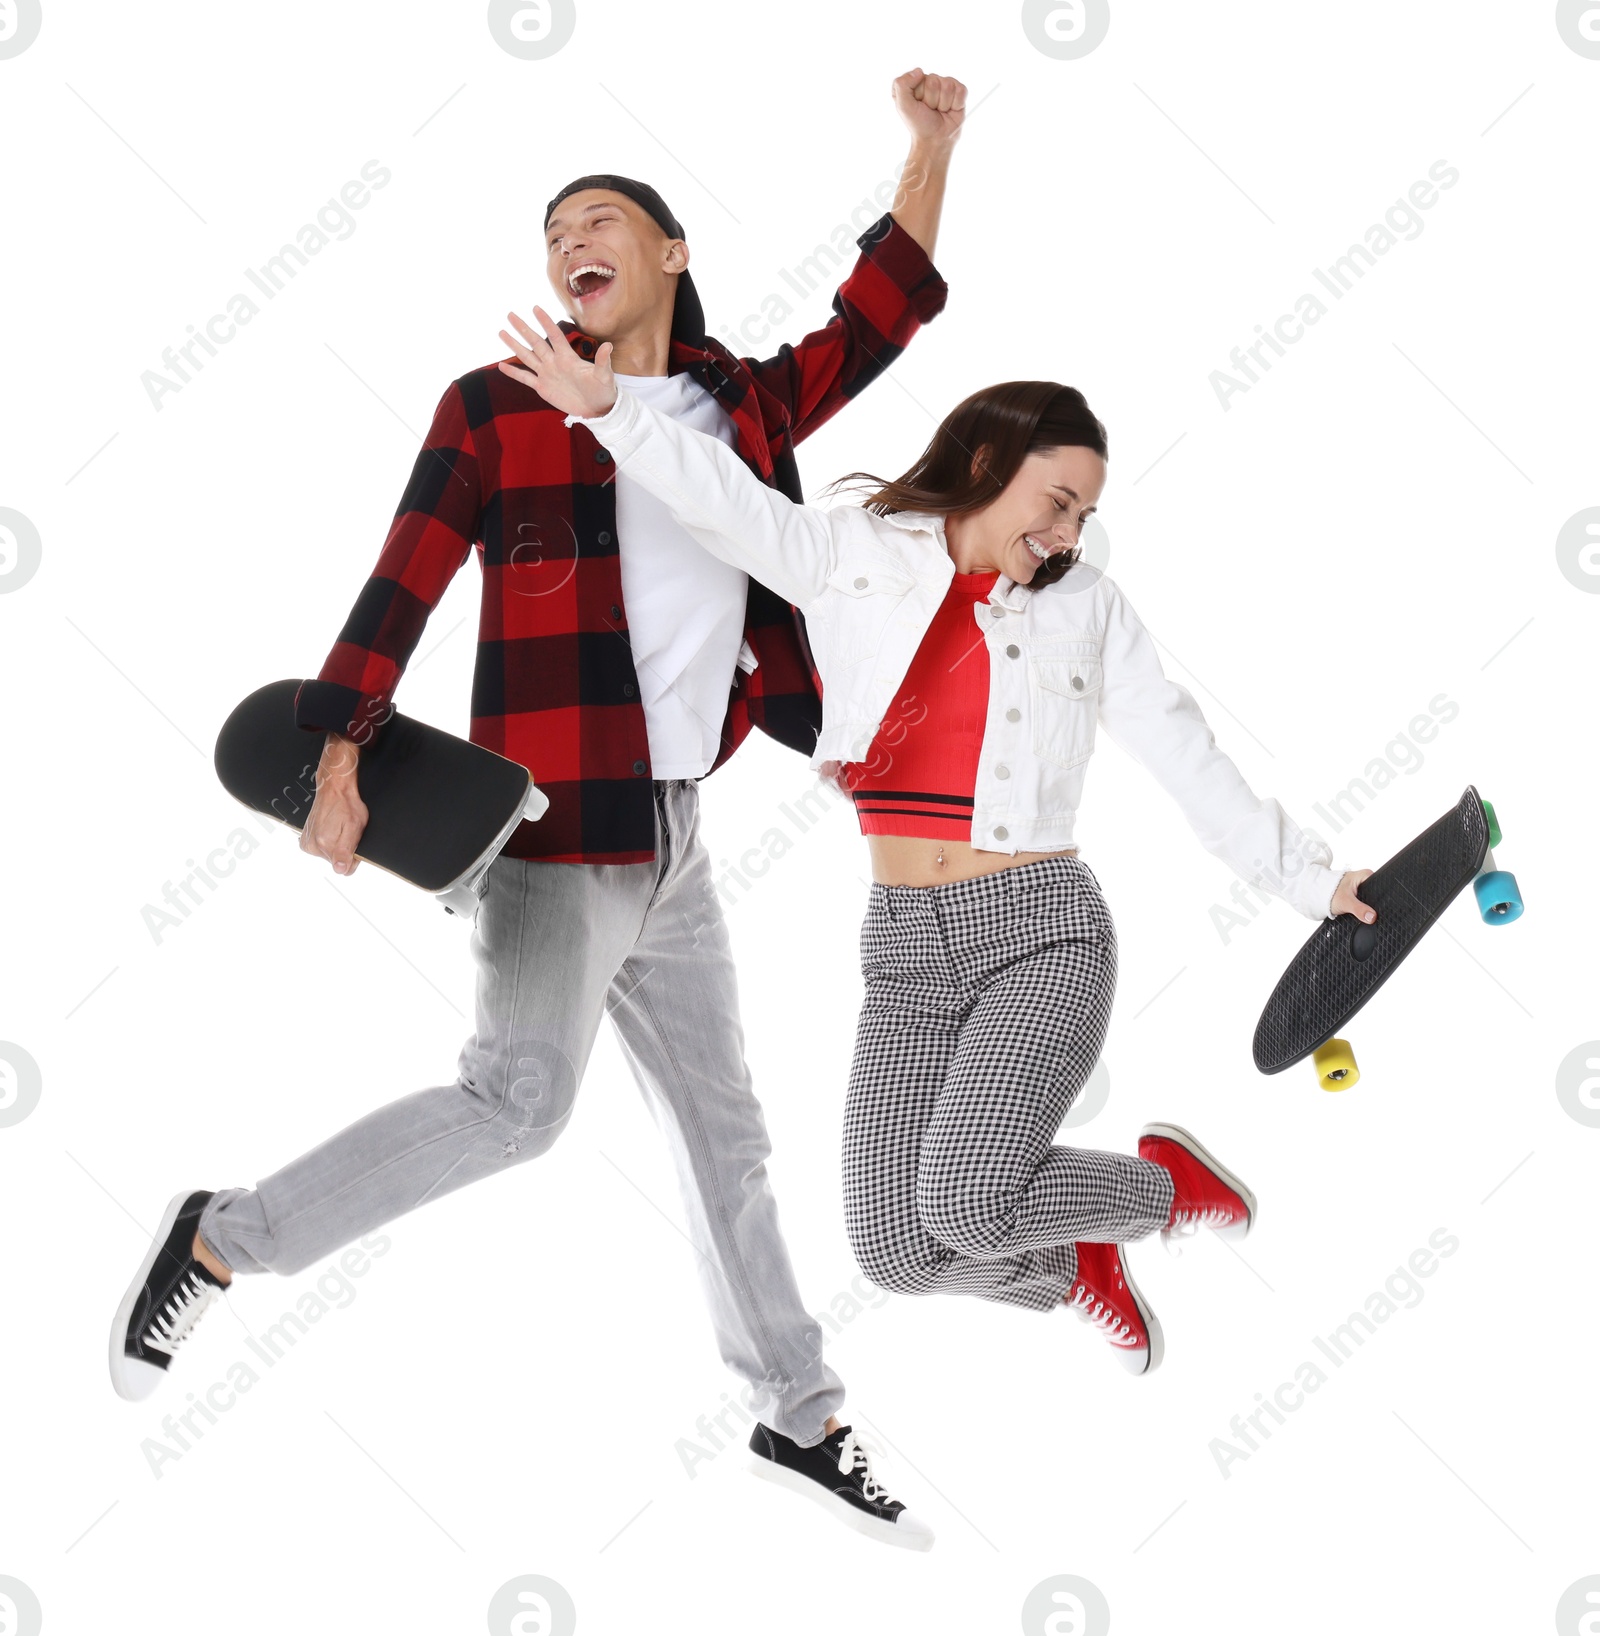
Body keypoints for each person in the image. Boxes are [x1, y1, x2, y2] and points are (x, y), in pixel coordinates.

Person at [110, 68, 973, 1553]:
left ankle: (798, 1408)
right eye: (554, 230)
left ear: (668, 255)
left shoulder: (740, 401)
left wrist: (931, 147)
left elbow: (881, 312)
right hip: (554, 830)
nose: (573, 240)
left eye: (603, 220)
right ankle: (221, 1237)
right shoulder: (494, 409)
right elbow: (408, 572)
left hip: (679, 834)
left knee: (727, 1135)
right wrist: (339, 747)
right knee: (518, 1106)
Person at [491, 323, 1378, 1377]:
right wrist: (611, 412)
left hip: (1039, 935)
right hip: (906, 946)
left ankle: (1163, 1190)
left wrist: (1312, 879)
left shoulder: (1087, 610)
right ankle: (1067, 1268)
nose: (1069, 531)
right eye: (1057, 501)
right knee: (899, 1252)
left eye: (1087, 514)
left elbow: (1188, 759)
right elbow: (726, 504)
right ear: (988, 465)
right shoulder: (852, 553)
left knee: (964, 1197)